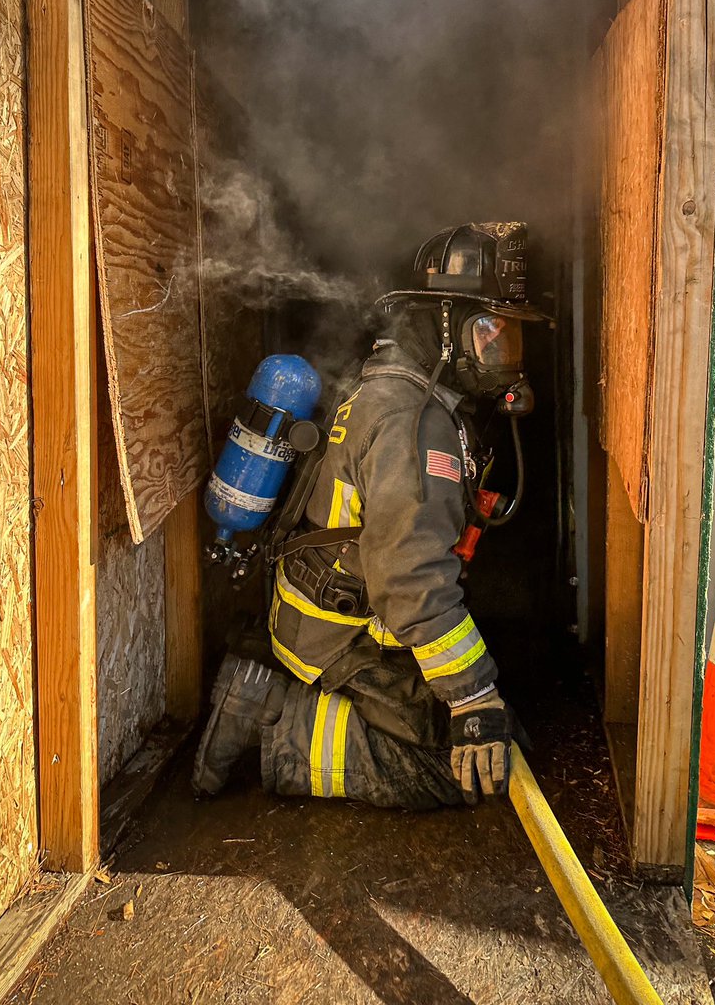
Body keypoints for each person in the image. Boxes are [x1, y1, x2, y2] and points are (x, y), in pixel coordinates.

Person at [192, 223, 537, 809]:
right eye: (489, 333)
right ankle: (270, 723)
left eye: (510, 338)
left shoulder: (391, 382)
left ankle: (276, 701)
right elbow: (409, 579)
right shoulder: (414, 423)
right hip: (341, 638)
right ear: (444, 325)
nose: (503, 356)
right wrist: (472, 697)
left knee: (502, 736)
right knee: (464, 765)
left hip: (327, 614)